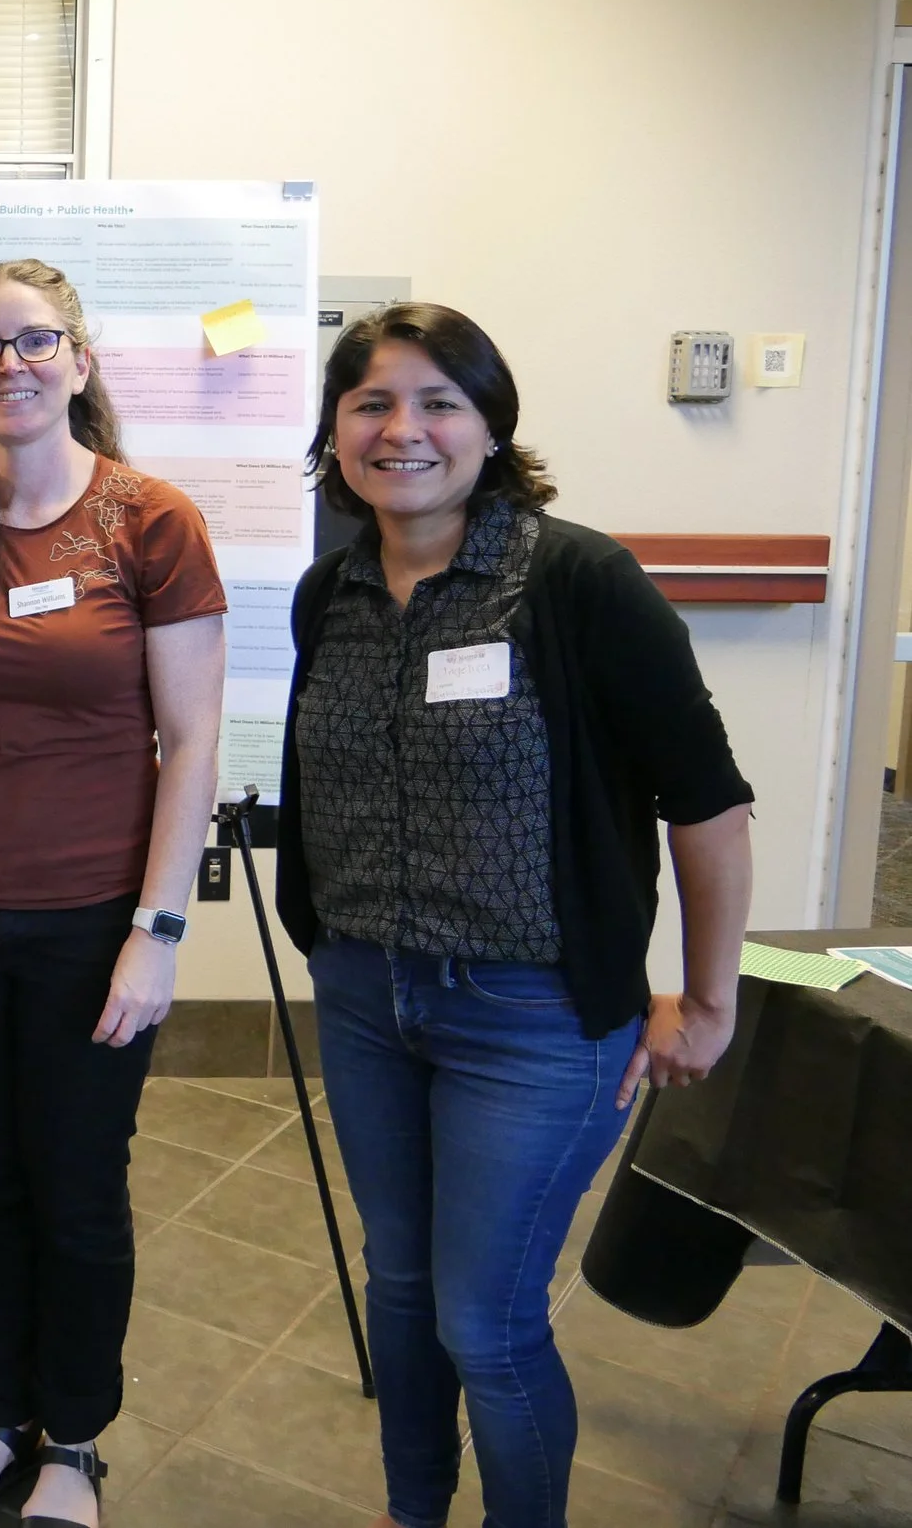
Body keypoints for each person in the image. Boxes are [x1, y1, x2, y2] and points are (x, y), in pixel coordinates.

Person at [276, 303, 753, 1528]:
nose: (404, 430)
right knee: (400, 1284)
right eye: (372, 402)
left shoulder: (577, 580)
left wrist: (706, 999)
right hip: (367, 994)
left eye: (439, 401)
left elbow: (704, 799)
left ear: (491, 426)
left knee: (483, 1320)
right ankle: (411, 1509)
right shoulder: (326, 590)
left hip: (532, 1014)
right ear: (335, 431)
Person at [0, 260, 226, 1528]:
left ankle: (72, 1438)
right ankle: (0, 1412)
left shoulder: (150, 519)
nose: (9, 364)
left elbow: (190, 741)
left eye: (34, 342)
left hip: (95, 919)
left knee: (78, 1180)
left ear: (79, 362)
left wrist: (157, 930)